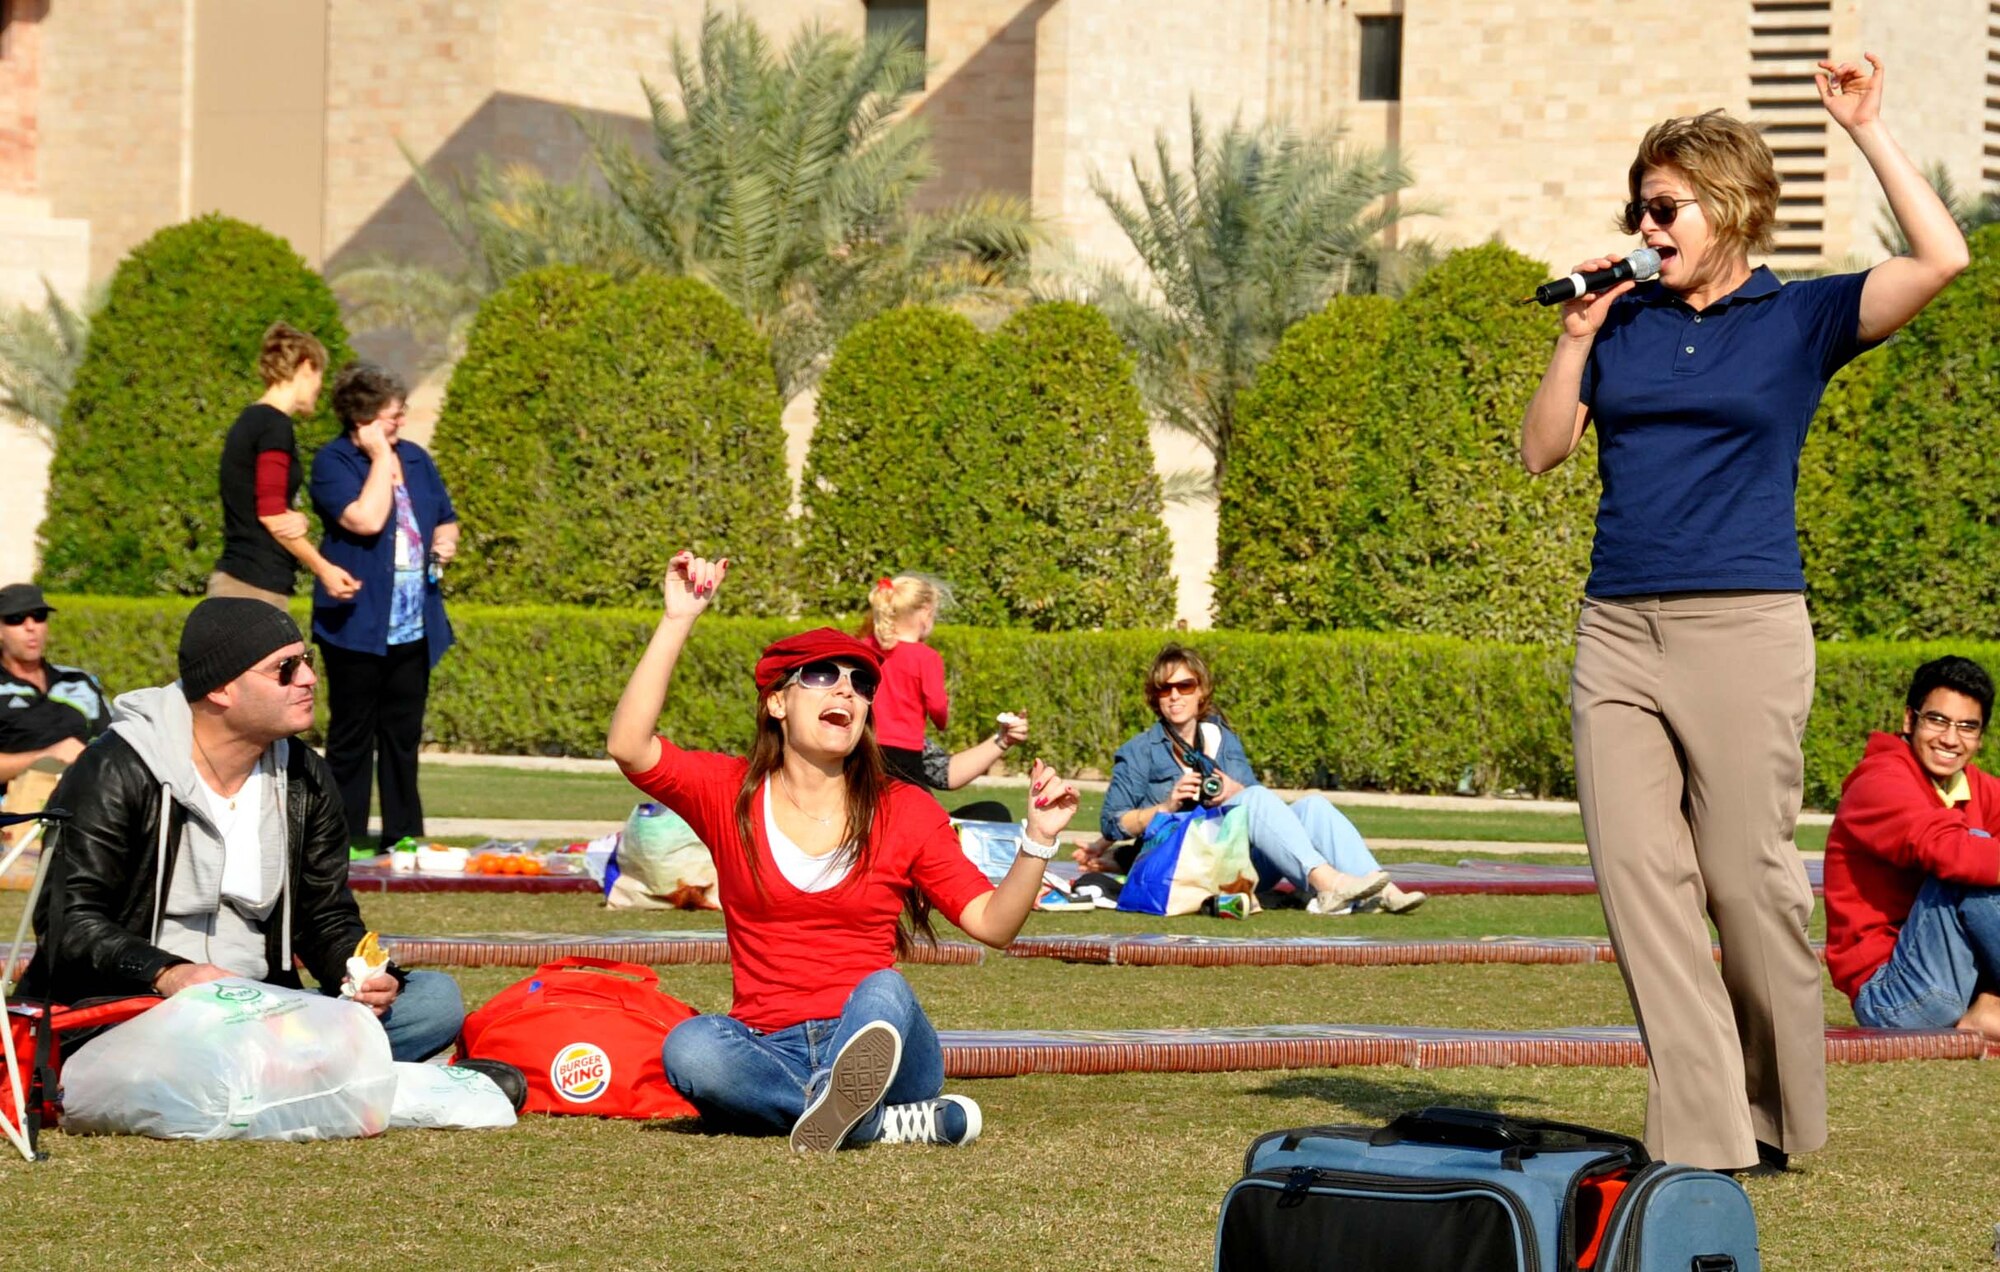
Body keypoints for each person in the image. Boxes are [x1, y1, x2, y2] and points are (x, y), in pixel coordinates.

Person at [1517, 58, 1967, 1172]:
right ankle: (1704, 1136)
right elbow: (1540, 453)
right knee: (1638, 884)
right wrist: (1574, 335)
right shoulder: (1616, 324)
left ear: (1731, 208)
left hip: (1744, 628)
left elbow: (1940, 257)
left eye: (1665, 206)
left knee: (1745, 884)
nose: (1644, 223)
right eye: (1637, 205)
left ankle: (1777, 1119)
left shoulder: (1799, 316)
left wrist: (1862, 126)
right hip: (1616, 630)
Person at [606, 552, 1078, 1152]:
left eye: (861, 683)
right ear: (777, 703)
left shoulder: (903, 807)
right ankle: (866, 1121)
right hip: (767, 1042)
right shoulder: (729, 793)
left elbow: (993, 924)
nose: (848, 692)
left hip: (885, 1040)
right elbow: (629, 744)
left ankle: (842, 1103)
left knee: (885, 989)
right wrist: (678, 618)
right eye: (823, 676)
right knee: (690, 1047)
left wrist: (1038, 838)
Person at [19, 599, 464, 1061]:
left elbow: (324, 916)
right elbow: (69, 920)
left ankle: (269, 1066)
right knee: (178, 1046)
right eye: (285, 668)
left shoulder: (305, 778)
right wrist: (169, 973)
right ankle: (296, 1066)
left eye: (306, 661)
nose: (309, 678)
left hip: (261, 1007)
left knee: (432, 1000)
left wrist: (364, 977)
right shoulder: (116, 770)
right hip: (138, 1007)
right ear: (222, 689)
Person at [1097, 644, 1425, 916]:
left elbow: (1253, 802)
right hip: (1179, 867)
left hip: (1234, 860)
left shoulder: (1221, 739)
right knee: (1253, 798)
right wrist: (1166, 806)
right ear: (1155, 697)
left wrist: (1232, 789)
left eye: (1185, 686)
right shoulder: (1138, 751)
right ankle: (1329, 885)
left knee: (1313, 805)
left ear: (1200, 691)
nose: (1174, 695)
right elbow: (1112, 822)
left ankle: (1384, 891)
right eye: (1164, 688)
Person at [308, 362, 460, 853]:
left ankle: (403, 834)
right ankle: (344, 836)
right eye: (392, 417)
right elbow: (367, 520)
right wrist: (377, 459)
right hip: (355, 624)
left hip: (413, 625)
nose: (400, 425)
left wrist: (444, 542)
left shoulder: (416, 459)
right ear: (363, 419)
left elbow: (446, 518)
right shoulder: (333, 463)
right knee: (351, 738)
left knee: (402, 737)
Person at [1824, 656, 2000, 1045]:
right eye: (1937, 720)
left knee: (1980, 852)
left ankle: (1988, 1011)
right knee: (1970, 856)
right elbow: (1948, 850)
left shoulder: (1973, 786)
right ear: (1909, 720)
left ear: (1980, 736)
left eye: (1967, 727)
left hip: (1953, 979)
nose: (1951, 739)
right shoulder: (1879, 782)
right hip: (1893, 996)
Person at [209, 322, 358, 608]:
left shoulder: (250, 421)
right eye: (319, 375)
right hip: (254, 588)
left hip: (240, 581)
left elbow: (265, 506)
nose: (319, 387)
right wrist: (324, 569)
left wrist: (293, 515)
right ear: (305, 367)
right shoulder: (274, 427)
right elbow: (272, 516)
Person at [859, 574, 1027, 820]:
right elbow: (938, 709)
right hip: (905, 763)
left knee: (991, 812)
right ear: (925, 613)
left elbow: (944, 772)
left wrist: (1002, 740)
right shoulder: (926, 657)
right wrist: (941, 720)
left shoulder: (862, 649)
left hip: (866, 756)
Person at [0, 583, 109, 799]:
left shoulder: (79, 681)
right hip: (18, 815)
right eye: (16, 619)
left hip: (87, 804)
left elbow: (115, 742)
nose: (31, 627)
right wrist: (45, 758)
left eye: (39, 616)